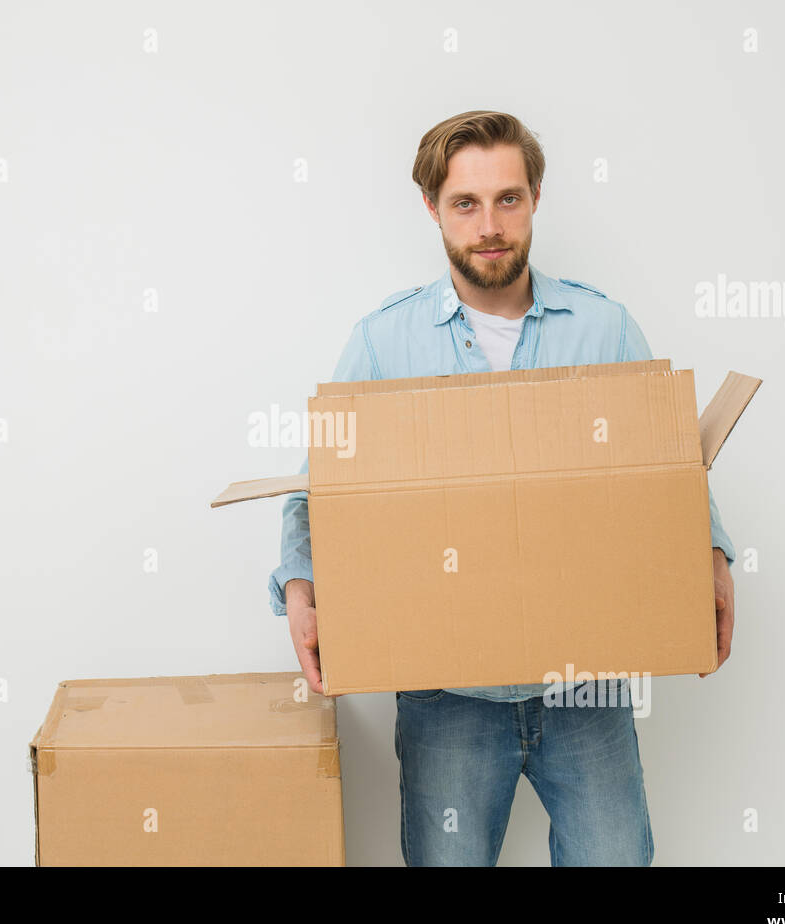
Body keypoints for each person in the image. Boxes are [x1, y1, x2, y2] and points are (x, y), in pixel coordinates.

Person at [267, 109, 737, 866]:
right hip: (446, 695)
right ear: (433, 209)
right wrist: (300, 586)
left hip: (588, 685)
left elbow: (668, 466)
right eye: (466, 204)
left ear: (536, 197)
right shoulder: (385, 344)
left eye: (508, 199)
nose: (490, 225)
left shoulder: (603, 327)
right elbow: (315, 488)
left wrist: (709, 552)